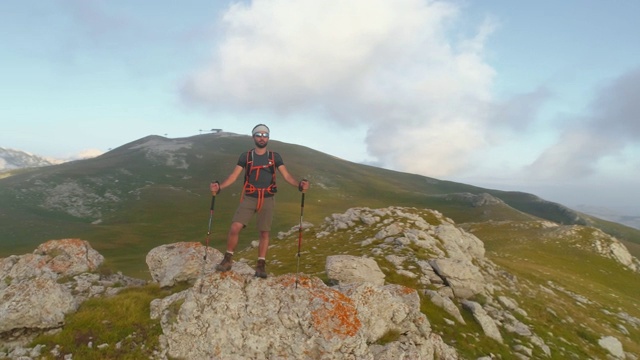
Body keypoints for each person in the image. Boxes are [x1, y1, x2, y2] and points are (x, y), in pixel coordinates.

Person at [210, 124, 309, 278]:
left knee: (264, 232)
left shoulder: (275, 157)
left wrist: (299, 185)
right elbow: (233, 176)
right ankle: (228, 259)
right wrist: (219, 187)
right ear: (253, 137)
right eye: (259, 135)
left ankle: (261, 266)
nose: (262, 137)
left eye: (265, 135)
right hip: (250, 197)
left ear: (268, 138)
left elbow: (287, 176)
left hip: (267, 198)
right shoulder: (246, 157)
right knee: (235, 227)